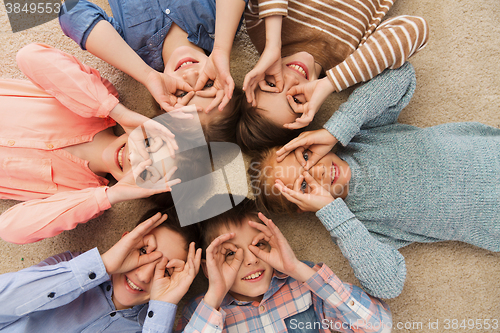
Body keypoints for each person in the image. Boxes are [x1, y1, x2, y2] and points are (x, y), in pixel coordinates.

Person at [247, 62, 500, 299]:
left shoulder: (358, 135)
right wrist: (332, 213)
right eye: (303, 185)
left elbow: (402, 74)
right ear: (304, 205)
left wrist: (336, 129)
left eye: (305, 156)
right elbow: (389, 286)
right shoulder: (355, 225)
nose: (317, 172)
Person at [0, 43, 200, 244]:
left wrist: (110, 196)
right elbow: (29, 56)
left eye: (146, 172)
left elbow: (8, 230)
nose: (133, 157)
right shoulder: (103, 96)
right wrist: (118, 112)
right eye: (148, 145)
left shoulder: (85, 197)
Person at [236, 0, 429, 153]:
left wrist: (272, 43)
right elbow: (414, 28)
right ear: (310, 109)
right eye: (294, 98)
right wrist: (331, 83)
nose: (291, 80)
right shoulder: (353, 67)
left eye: (271, 84)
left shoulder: (263, 29)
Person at [175, 198, 392, 332]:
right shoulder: (199, 312)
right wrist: (214, 295)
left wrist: (298, 269)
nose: (251, 259)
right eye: (230, 253)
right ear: (207, 268)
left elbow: (379, 326)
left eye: (259, 244)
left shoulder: (303, 285)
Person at [59, 0, 247, 142]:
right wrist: (222, 47)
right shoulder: (221, 23)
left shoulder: (129, 52)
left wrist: (147, 75)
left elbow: (70, 11)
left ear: (162, 100)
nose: (190, 75)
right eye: (207, 84)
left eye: (182, 92)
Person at [0, 208, 202, 332]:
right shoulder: (70, 265)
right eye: (143, 251)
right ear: (126, 240)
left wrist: (163, 305)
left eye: (165, 272)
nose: (143, 275)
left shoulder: (154, 326)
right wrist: (104, 264)